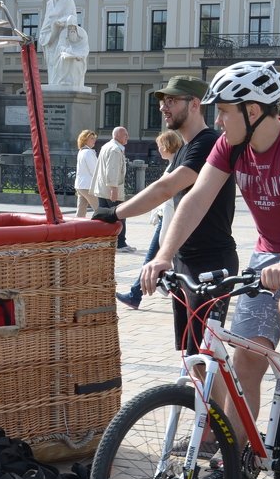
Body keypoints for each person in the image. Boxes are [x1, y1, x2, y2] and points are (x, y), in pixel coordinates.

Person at [140, 61, 280, 479]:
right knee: (245, 360)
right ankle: (233, 465)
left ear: (253, 110)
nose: (218, 120)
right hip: (269, 254)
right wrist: (162, 256)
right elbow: (195, 199)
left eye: (224, 111)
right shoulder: (230, 145)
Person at [104, 76, 238, 322]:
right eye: (163, 102)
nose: (163, 108)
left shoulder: (208, 143)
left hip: (211, 261)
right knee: (187, 345)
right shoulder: (185, 148)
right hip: (185, 258)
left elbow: (165, 188)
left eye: (172, 101)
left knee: (203, 344)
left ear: (195, 104)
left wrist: (114, 213)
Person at [109, 128, 187, 309]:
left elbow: (167, 199)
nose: (158, 149)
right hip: (167, 219)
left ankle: (135, 295)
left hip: (168, 221)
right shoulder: (174, 164)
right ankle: (158, 290)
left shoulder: (175, 166)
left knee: (151, 259)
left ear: (166, 146)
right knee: (160, 259)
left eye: (160, 146)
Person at [91, 126, 131, 252]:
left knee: (104, 217)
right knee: (120, 214)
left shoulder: (107, 146)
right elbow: (112, 170)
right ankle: (120, 243)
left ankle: (104, 242)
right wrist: (114, 189)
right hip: (111, 190)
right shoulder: (115, 149)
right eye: (125, 135)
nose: (127, 137)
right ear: (117, 136)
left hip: (102, 188)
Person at [38, 0, 77, 78]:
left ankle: (61, 80)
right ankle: (53, 80)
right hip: (50, 35)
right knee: (51, 61)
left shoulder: (68, 0)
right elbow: (47, 19)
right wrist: (42, 33)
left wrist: (61, 21)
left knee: (60, 60)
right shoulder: (49, 4)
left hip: (62, 34)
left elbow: (72, 17)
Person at [50, 15, 89, 88]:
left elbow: (85, 48)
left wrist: (80, 55)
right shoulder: (64, 33)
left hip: (79, 56)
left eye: (73, 27)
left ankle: (74, 81)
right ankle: (63, 80)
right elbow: (60, 46)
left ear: (76, 26)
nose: (71, 29)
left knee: (75, 62)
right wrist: (67, 50)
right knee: (63, 59)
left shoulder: (83, 33)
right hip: (67, 53)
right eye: (69, 27)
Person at [74, 130, 98, 218]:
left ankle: (76, 226)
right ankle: (103, 225)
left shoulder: (81, 151)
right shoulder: (88, 152)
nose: (94, 140)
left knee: (81, 212)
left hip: (81, 185)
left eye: (94, 138)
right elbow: (94, 170)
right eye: (91, 138)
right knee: (99, 209)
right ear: (84, 140)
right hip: (88, 186)